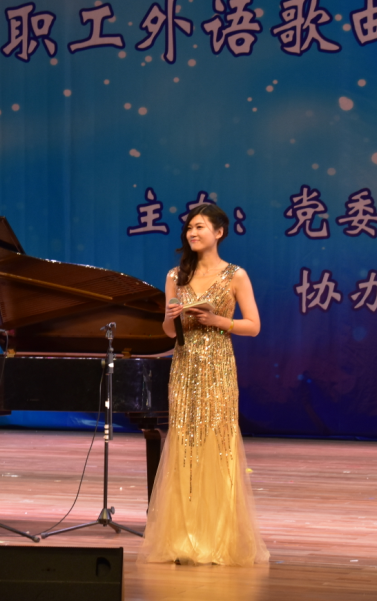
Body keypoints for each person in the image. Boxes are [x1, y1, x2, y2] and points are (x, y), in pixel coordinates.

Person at [140, 204, 269, 566]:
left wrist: (217, 320)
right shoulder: (175, 276)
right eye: (189, 228)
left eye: (199, 227)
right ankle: (184, 537)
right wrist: (170, 317)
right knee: (185, 443)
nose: (192, 233)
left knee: (219, 443)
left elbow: (253, 325)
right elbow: (169, 333)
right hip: (183, 367)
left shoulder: (236, 275)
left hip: (218, 367)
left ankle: (218, 537)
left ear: (219, 232)